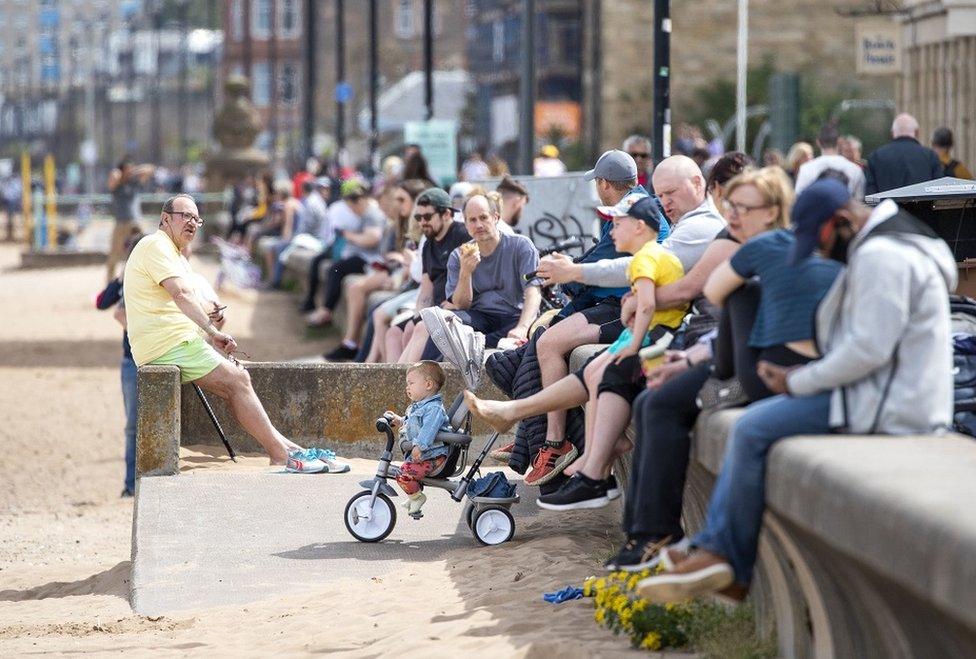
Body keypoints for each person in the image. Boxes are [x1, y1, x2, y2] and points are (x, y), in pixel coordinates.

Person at [637, 178, 955, 603]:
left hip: (888, 404)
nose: (823, 255)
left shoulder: (883, 256)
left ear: (840, 222)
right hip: (885, 393)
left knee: (752, 428)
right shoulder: (900, 244)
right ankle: (717, 552)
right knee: (751, 425)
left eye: (821, 243)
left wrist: (797, 381)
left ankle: (723, 557)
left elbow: (868, 348)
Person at [123, 194, 342, 473]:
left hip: (174, 341)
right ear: (165, 218)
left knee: (239, 380)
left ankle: (290, 450)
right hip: (167, 343)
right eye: (186, 216)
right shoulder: (155, 244)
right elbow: (180, 294)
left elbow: (184, 299)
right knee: (237, 380)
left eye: (196, 219)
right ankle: (281, 453)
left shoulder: (174, 253)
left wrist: (211, 318)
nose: (192, 223)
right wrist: (212, 331)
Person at [490, 150, 670, 486]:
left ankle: (556, 443)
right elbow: (601, 261)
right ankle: (536, 433)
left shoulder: (631, 212)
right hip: (618, 302)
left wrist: (567, 274)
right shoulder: (634, 204)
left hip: (623, 306)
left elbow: (606, 266)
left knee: (548, 342)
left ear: (604, 184)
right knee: (545, 330)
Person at [534, 195, 687, 510]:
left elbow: (647, 304)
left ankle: (591, 457)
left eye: (618, 224)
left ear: (640, 227)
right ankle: (592, 454)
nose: (611, 231)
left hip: (654, 336)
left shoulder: (645, 258)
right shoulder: (653, 255)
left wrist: (633, 343)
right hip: (653, 332)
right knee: (591, 371)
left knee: (599, 371)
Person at [401, 193, 542, 360]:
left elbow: (534, 291)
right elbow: (461, 304)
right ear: (466, 224)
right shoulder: (458, 255)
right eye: (472, 220)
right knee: (439, 324)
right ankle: (426, 377)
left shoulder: (520, 246)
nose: (479, 225)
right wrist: (465, 273)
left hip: (514, 315)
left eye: (483, 217)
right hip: (479, 316)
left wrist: (522, 327)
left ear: (495, 217)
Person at [325, 178, 427, 361]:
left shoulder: (417, 225)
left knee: (373, 306)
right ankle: (362, 356)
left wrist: (400, 267)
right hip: (396, 274)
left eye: (401, 200)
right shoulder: (398, 223)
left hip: (404, 280)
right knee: (373, 307)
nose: (393, 205)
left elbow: (420, 268)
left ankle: (359, 354)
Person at [306, 181, 386, 327]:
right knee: (332, 266)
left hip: (369, 260)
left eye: (352, 206)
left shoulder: (372, 214)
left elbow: (372, 239)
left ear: (360, 201)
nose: (352, 210)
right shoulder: (367, 213)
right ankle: (323, 309)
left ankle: (326, 312)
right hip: (363, 256)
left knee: (336, 269)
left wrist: (348, 235)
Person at [386, 361, 452, 518]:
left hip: (433, 457)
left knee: (402, 474)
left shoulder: (434, 408)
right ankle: (413, 496)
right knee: (402, 472)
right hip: (425, 455)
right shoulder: (419, 406)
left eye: (411, 383)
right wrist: (400, 421)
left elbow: (428, 431)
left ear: (428, 384)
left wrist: (419, 446)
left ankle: (417, 497)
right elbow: (413, 424)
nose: (407, 387)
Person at [865, 113, 943, 195]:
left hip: (888, 207)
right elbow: (939, 191)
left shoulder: (875, 157)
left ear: (892, 133)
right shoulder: (930, 156)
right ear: (917, 132)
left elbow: (870, 194)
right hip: (922, 207)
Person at [106, 157, 154, 282]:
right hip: (121, 223)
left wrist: (133, 171)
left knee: (145, 251)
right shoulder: (117, 184)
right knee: (114, 257)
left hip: (136, 222)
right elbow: (113, 178)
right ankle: (108, 285)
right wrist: (120, 172)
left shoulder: (134, 183)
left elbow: (149, 169)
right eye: (128, 168)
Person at [794, 125, 865, 198]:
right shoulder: (855, 169)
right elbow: (859, 200)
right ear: (839, 141)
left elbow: (799, 197)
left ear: (818, 142)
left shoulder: (806, 169)